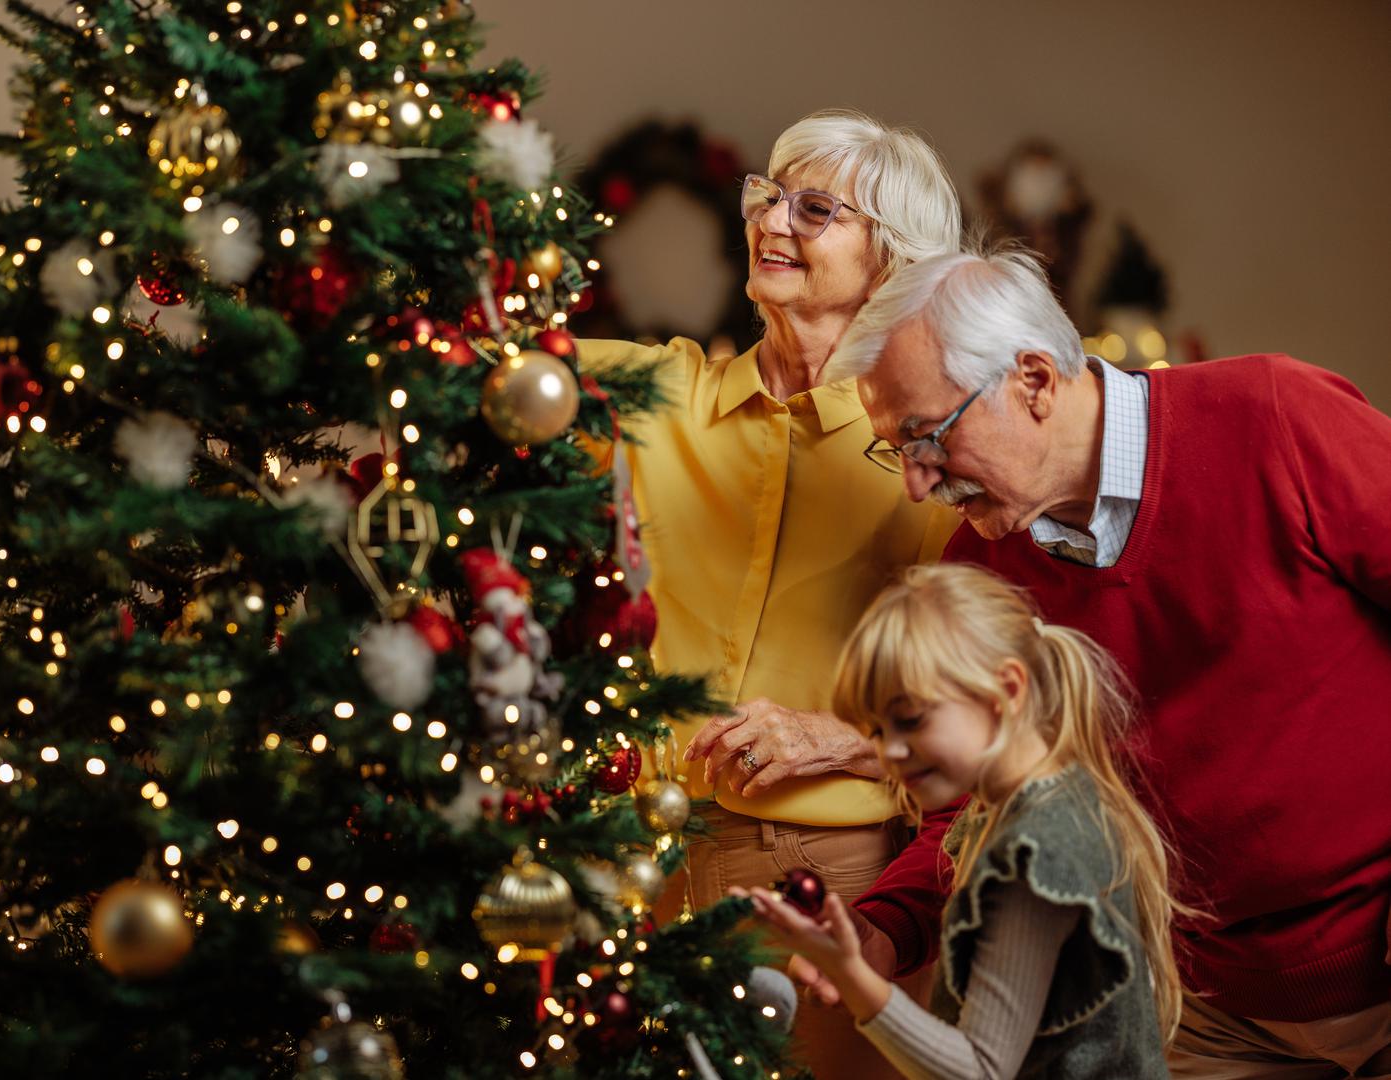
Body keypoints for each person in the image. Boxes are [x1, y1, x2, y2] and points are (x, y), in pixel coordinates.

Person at [830, 244, 1391, 1076]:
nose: (916, 484)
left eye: (926, 437)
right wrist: (886, 927)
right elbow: (984, 800)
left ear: (1031, 381)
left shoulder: (1274, 415)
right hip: (1207, 1007)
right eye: (896, 451)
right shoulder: (980, 571)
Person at [575, 108, 960, 1076]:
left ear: (891, 261)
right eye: (765, 194)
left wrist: (854, 742)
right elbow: (471, 366)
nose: (770, 220)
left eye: (814, 208)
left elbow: (1018, 700)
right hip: (637, 866)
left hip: (834, 880)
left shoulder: (933, 452)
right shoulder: (660, 392)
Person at [748, 562, 1183, 1078]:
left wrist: (849, 974)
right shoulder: (1045, 797)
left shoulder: (1033, 851)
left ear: (1008, 690)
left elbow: (978, 1069)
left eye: (910, 721)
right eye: (877, 730)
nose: (889, 752)